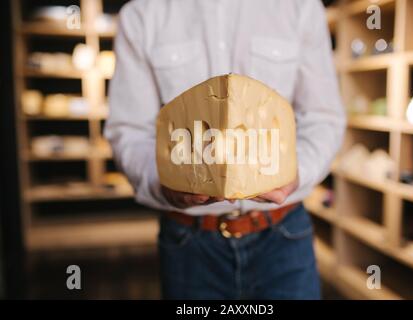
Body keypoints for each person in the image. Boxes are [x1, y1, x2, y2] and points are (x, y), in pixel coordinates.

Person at [105, 0, 345, 300]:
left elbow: (323, 118)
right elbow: (128, 130)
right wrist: (163, 182)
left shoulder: (300, 7)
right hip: (189, 242)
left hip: (282, 235)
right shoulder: (142, 13)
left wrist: (299, 172)